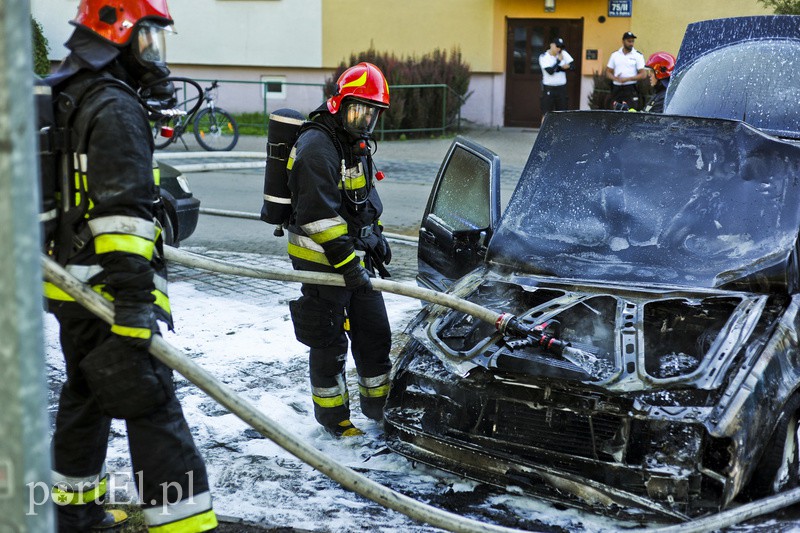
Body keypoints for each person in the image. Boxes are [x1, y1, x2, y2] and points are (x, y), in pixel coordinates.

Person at [43, 1, 217, 531]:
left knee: (85, 395)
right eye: (148, 39)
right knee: (152, 405)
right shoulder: (115, 106)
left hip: (72, 285)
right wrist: (136, 304)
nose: (155, 55)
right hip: (109, 294)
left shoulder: (73, 94)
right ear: (118, 32)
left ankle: (72, 516)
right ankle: (186, 524)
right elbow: (123, 218)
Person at [286, 62, 393, 438]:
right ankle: (335, 423)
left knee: (375, 333)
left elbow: (363, 199)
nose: (365, 121)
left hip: (352, 262)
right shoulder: (317, 147)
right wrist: (349, 264)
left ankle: (379, 410)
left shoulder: (355, 143)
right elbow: (318, 216)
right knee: (329, 343)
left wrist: (376, 237)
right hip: (321, 263)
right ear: (339, 103)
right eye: (358, 110)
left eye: (372, 114)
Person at [606, 31, 646, 110]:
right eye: (629, 41)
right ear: (623, 41)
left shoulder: (637, 55)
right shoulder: (615, 55)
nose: (631, 43)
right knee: (614, 109)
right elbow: (608, 72)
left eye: (632, 41)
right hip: (616, 88)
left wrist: (627, 79)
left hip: (630, 88)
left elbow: (643, 74)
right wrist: (615, 78)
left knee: (630, 110)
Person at [538, 37, 574, 124]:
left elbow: (572, 66)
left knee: (562, 113)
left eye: (561, 47)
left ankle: (562, 134)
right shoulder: (544, 56)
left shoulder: (563, 53)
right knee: (546, 113)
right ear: (551, 45)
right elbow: (550, 71)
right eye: (557, 46)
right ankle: (544, 134)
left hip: (561, 88)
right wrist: (559, 62)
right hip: (549, 88)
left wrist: (560, 68)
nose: (559, 49)